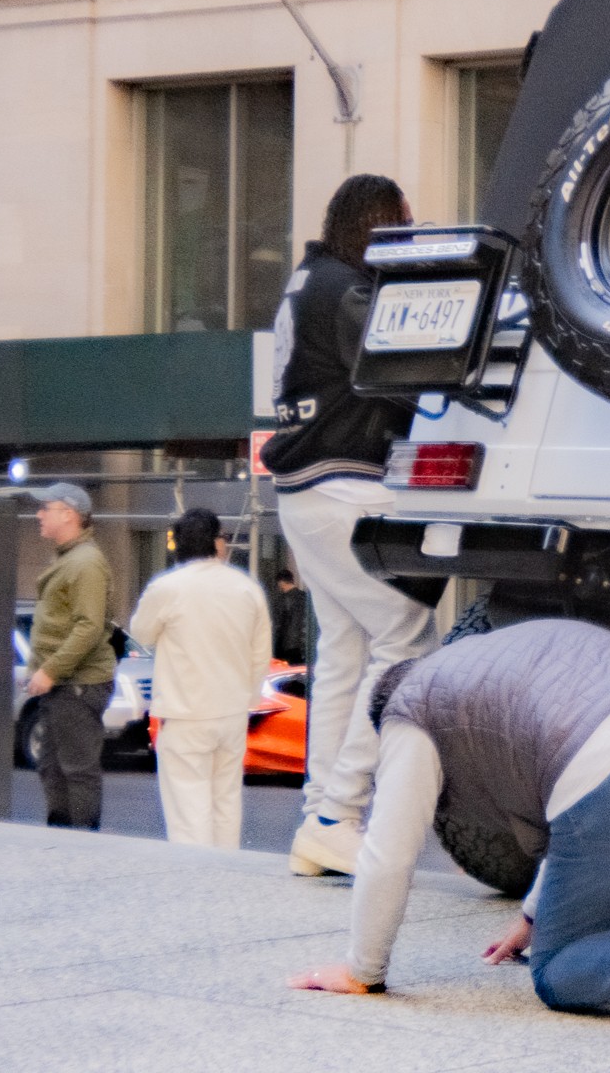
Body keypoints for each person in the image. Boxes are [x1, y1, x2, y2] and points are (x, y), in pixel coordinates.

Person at [289, 618, 610, 1046]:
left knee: (557, 973)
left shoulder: (410, 708)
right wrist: (537, 911)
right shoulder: (494, 651)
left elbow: (389, 853)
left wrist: (363, 969)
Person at [261, 174, 437, 877]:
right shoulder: (347, 291)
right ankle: (338, 811)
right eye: (404, 220)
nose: (411, 231)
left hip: (302, 489)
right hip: (345, 485)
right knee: (408, 637)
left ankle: (320, 821)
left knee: (342, 651)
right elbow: (406, 370)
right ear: (377, 221)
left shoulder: (308, 282)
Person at [129, 509, 272, 849]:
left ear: (177, 545)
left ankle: (197, 882)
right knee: (226, 800)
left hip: (185, 712)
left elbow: (141, 632)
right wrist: (248, 698)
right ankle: (227, 874)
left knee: (188, 807)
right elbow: (260, 653)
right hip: (233, 712)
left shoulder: (167, 587)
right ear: (216, 543)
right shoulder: (246, 587)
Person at [24, 481, 116, 829]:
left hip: (77, 684)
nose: (39, 514)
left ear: (68, 514)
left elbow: (88, 627)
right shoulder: (72, 559)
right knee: (53, 767)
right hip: (65, 683)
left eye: (45, 507)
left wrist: (49, 671)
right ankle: (64, 841)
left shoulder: (85, 563)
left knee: (76, 771)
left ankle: (82, 847)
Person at [269, 570, 307, 665]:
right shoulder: (305, 597)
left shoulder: (281, 600)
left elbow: (277, 625)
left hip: (286, 646)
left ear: (280, 583)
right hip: (303, 645)